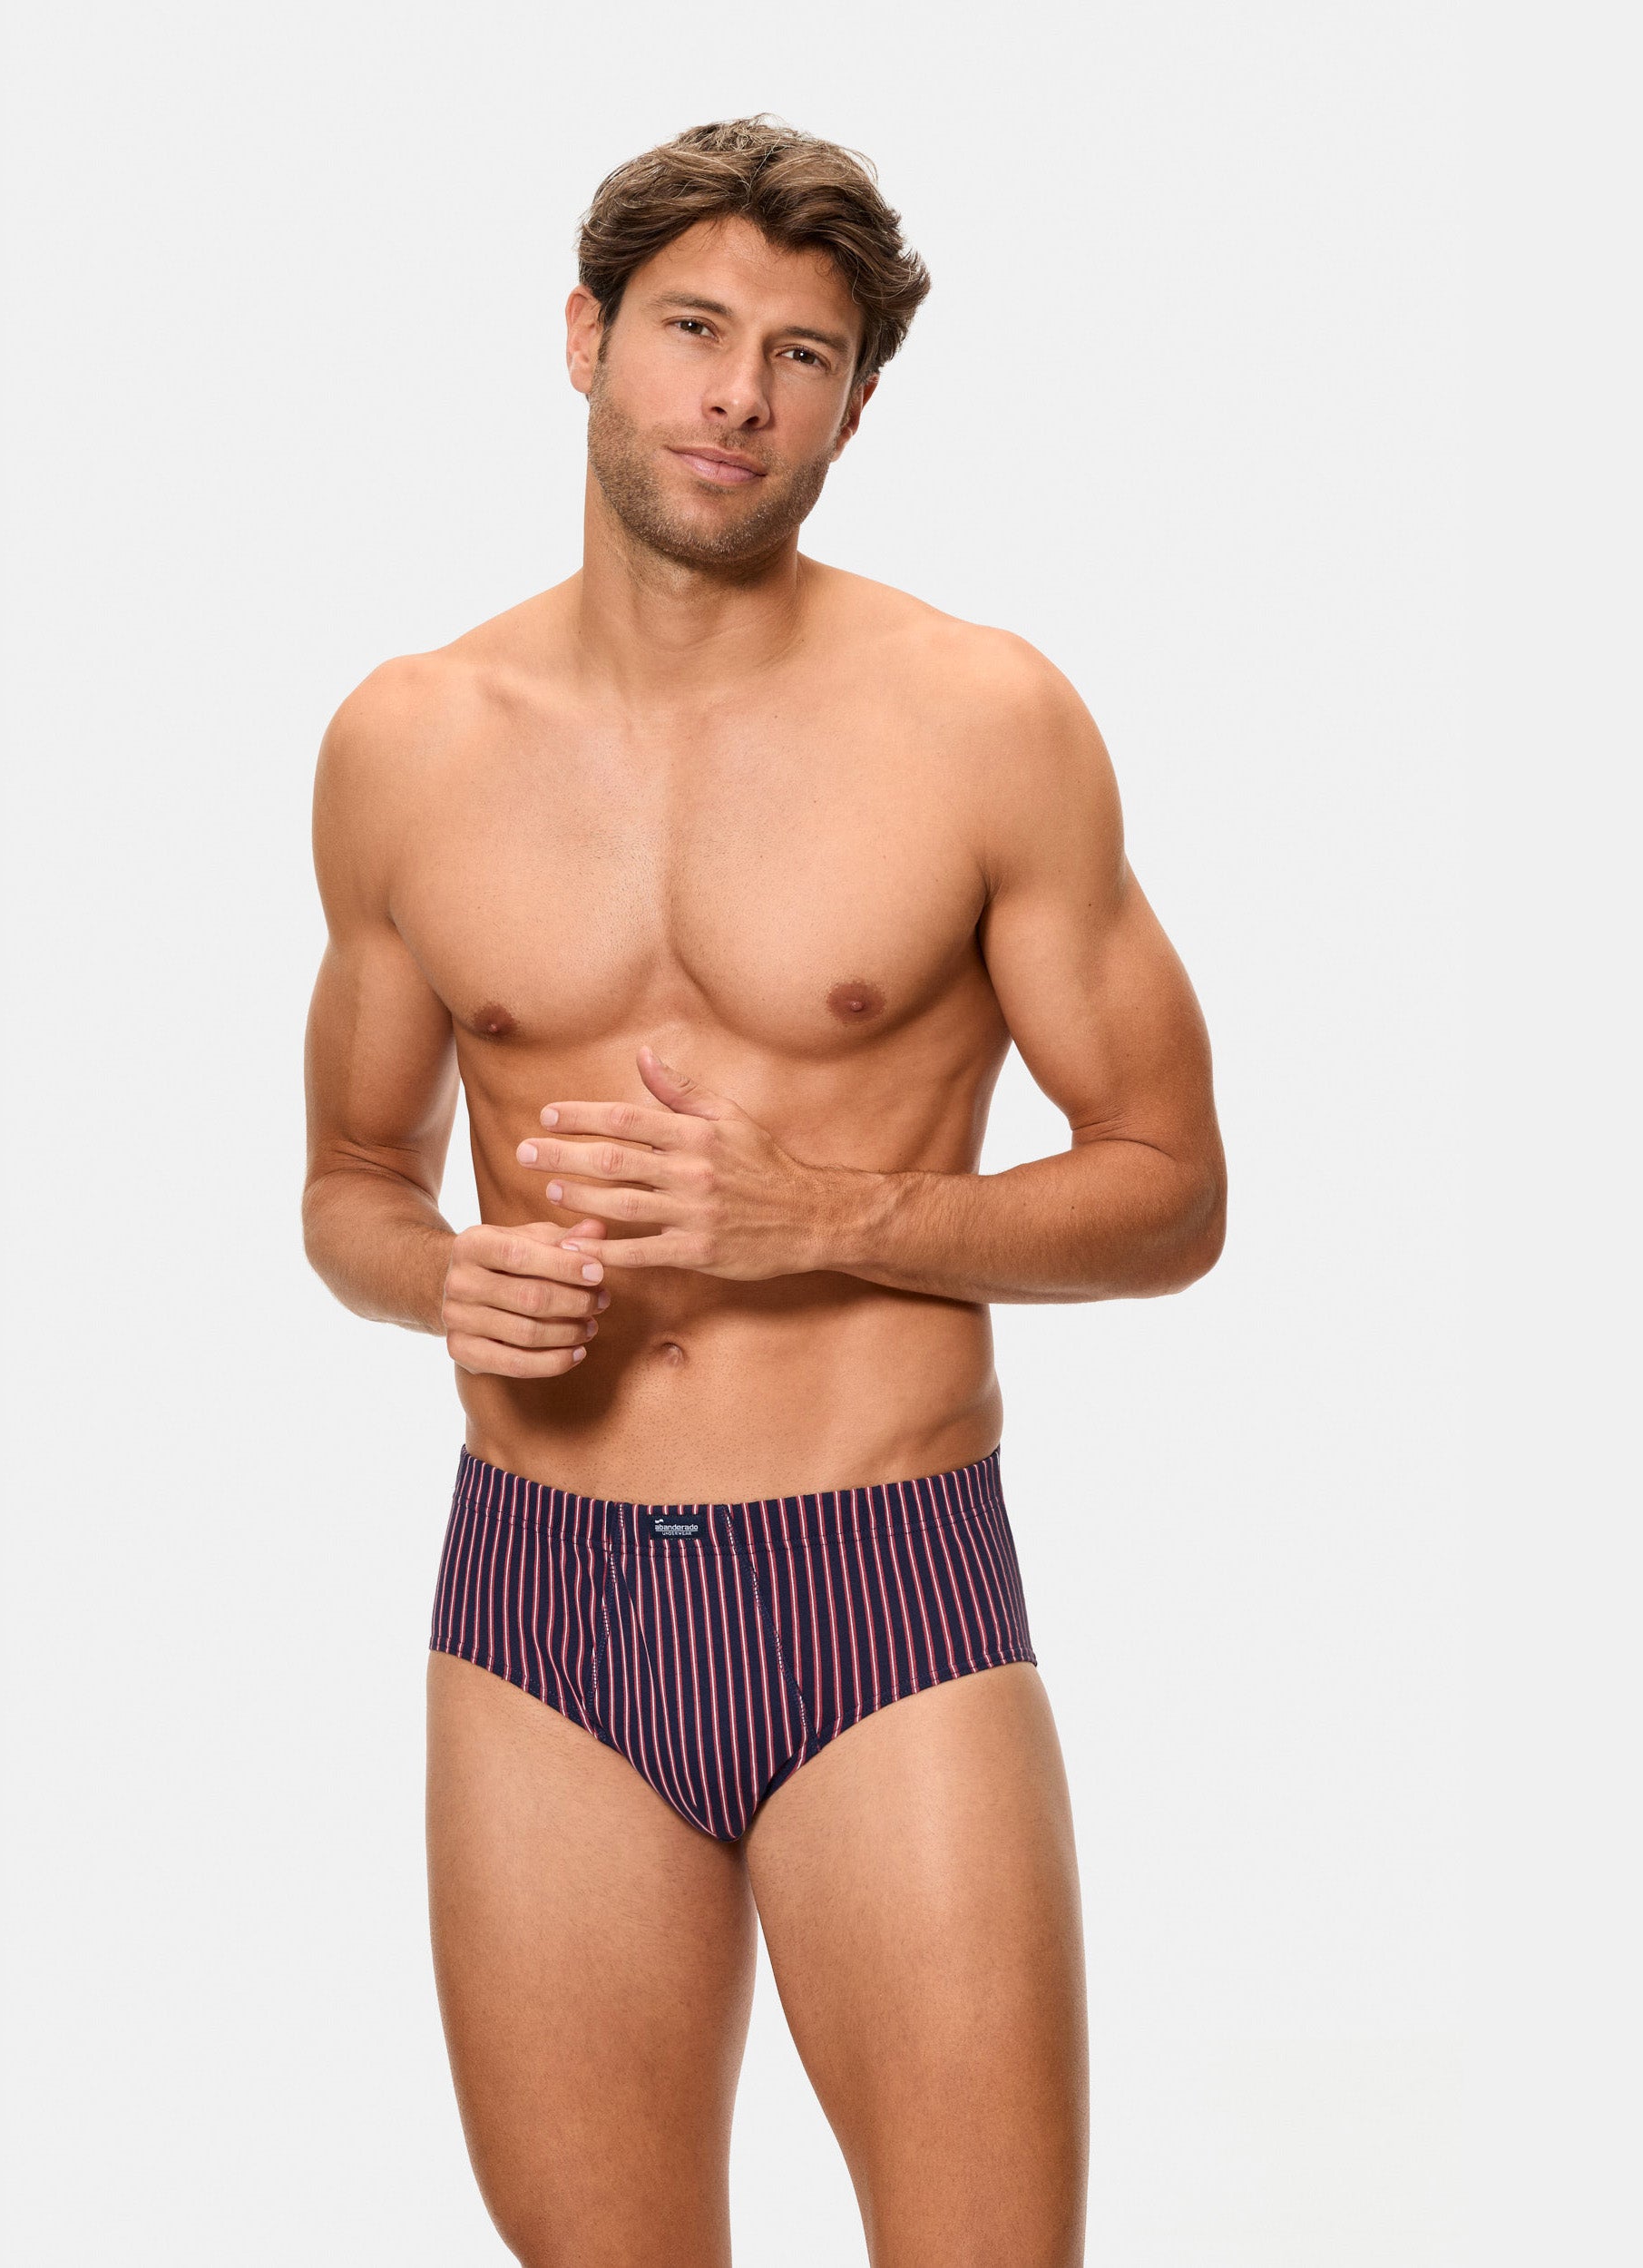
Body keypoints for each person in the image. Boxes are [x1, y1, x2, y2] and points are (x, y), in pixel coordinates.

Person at [301, 113, 1224, 2268]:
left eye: (801, 356)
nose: (737, 396)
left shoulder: (984, 721)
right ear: (584, 337)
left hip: (879, 1578)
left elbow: (1172, 1188)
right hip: (539, 1597)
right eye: (693, 330)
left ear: (854, 406)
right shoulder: (406, 743)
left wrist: (828, 1214)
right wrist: (439, 1277)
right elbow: (349, 1179)